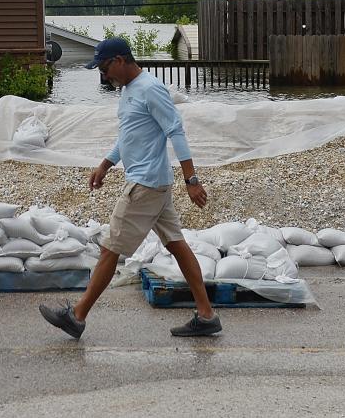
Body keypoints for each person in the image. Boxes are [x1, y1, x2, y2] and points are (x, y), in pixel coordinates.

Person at [39, 37, 221, 338]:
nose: (103, 75)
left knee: (110, 249)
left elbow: (176, 131)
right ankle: (206, 315)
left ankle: (77, 315)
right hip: (154, 183)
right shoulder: (127, 92)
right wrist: (106, 164)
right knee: (176, 245)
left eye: (105, 67)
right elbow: (130, 136)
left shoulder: (151, 89)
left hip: (145, 185)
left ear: (121, 60)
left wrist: (192, 180)